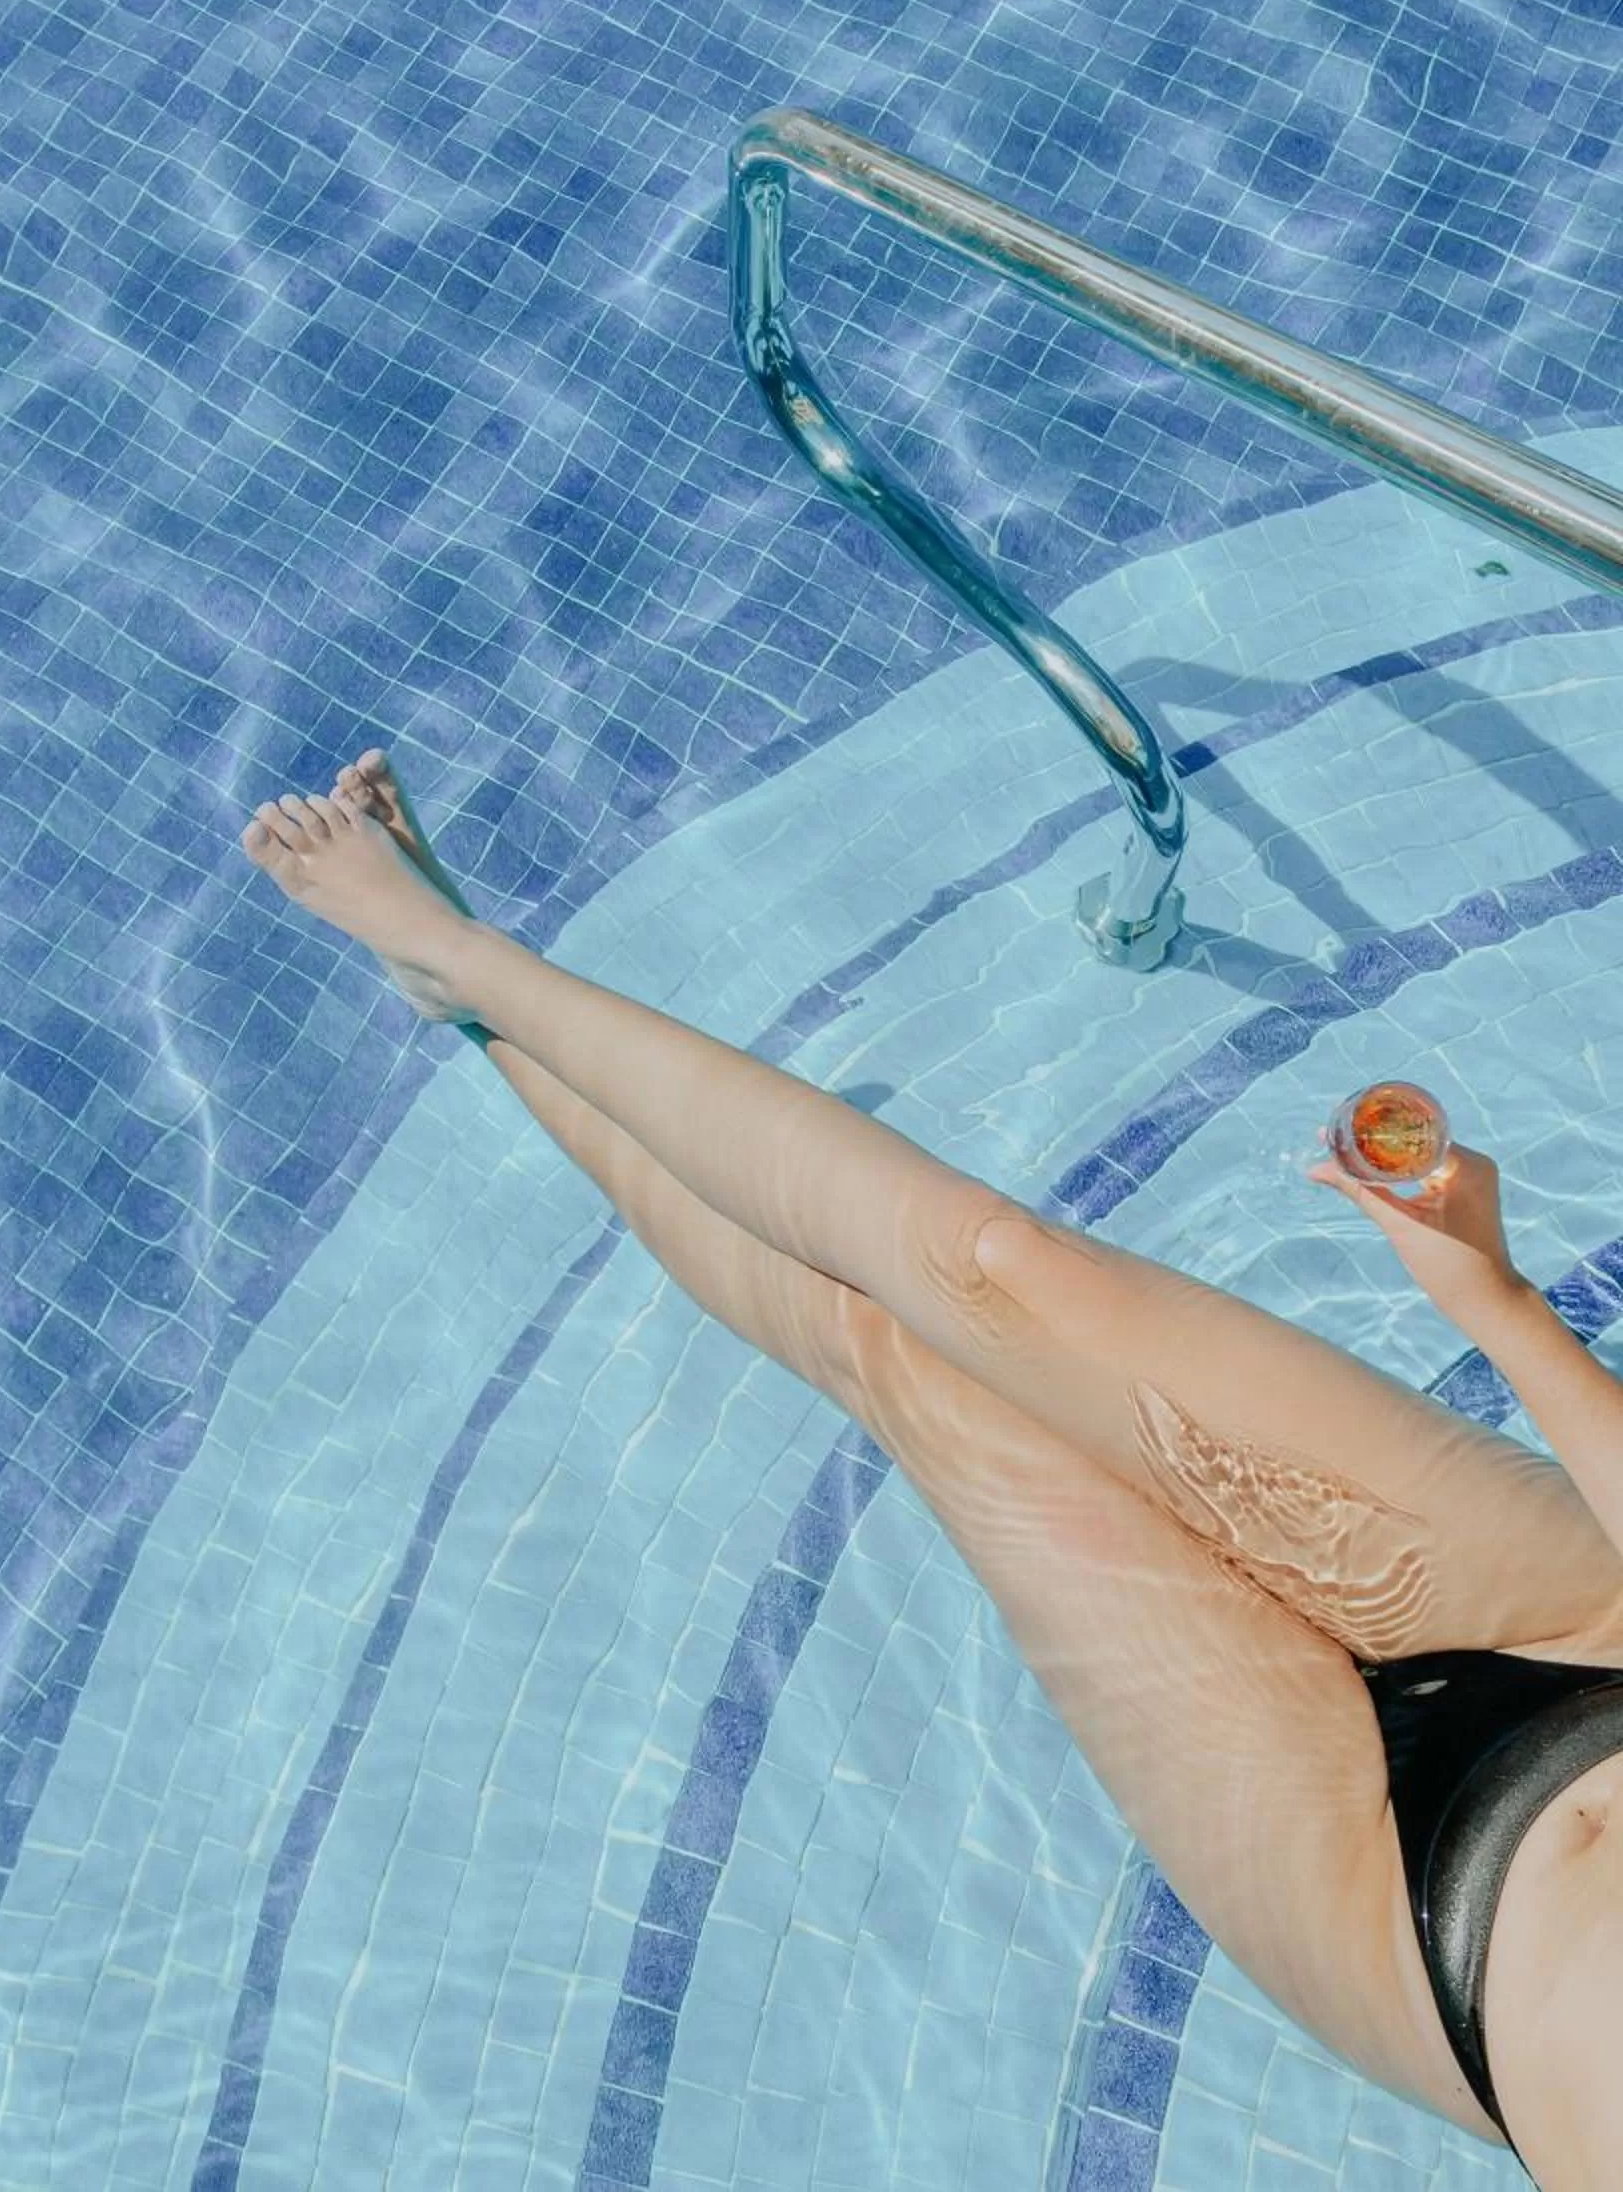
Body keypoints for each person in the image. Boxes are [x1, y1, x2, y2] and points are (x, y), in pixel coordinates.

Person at [242, 752, 1623, 2189]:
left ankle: (468, 1013)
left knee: (887, 1357)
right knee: (993, 1273)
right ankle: (470, 958)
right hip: (1590, 1636)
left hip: (1407, 1925)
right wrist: (1500, 1309)